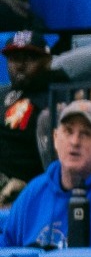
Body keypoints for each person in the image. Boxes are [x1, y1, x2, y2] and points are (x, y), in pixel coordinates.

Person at [0, 101, 91, 248]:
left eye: (86, 133)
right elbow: (6, 246)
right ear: (55, 138)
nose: (75, 141)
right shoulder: (34, 191)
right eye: (68, 131)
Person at [0, 32, 57, 205]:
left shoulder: (56, 96)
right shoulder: (4, 94)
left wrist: (28, 186)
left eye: (29, 58)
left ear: (47, 61)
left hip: (28, 188)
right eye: (14, 59)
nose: (20, 66)